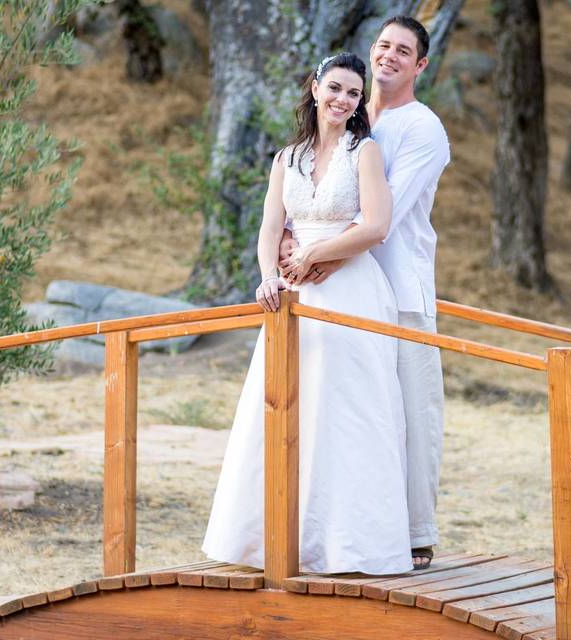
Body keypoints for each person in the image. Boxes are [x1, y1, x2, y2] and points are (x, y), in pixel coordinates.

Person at [202, 52, 414, 575]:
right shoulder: (286, 158)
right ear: (315, 87)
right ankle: (274, 540)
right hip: (293, 296)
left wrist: (315, 254)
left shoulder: (364, 151)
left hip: (351, 290)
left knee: (346, 411)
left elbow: (377, 226)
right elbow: (270, 227)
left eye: (354, 93)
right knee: (284, 405)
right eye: (335, 88)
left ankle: (349, 546)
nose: (343, 100)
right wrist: (268, 275)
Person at [280, 16, 450, 570]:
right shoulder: (352, 111)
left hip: (398, 288)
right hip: (335, 288)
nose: (390, 57)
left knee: (408, 413)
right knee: (345, 413)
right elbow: (308, 189)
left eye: (404, 51)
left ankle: (416, 532)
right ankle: (334, 526)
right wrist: (291, 237)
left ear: (420, 65)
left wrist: (323, 250)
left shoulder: (422, 129)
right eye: (383, 46)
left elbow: (387, 213)